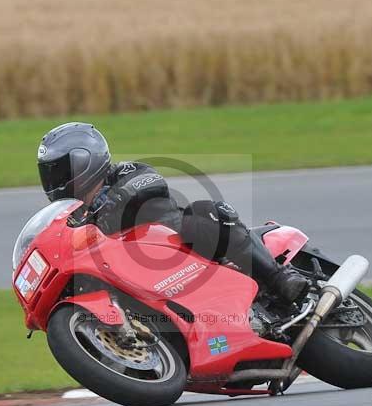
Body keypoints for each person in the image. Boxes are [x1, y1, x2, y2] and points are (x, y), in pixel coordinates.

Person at [36, 122, 309, 304]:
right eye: (48, 172)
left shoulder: (123, 173)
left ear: (86, 159)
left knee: (205, 212)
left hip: (180, 242)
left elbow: (150, 183)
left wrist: (115, 202)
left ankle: (277, 277)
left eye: (59, 170)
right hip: (144, 277)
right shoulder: (72, 217)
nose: (54, 180)